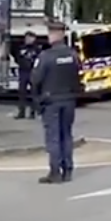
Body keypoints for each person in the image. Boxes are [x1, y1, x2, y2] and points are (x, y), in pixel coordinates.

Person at [32, 21, 83, 184]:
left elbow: (36, 79)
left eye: (50, 33)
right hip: (68, 100)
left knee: (53, 137)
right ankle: (68, 169)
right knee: (66, 135)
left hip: (51, 100)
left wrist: (37, 98)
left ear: (54, 34)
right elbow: (77, 76)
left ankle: (55, 171)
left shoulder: (46, 56)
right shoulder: (72, 54)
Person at [14, 31, 41, 118]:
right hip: (23, 72)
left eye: (30, 38)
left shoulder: (37, 49)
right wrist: (21, 63)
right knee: (22, 93)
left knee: (34, 93)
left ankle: (33, 112)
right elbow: (17, 57)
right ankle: (21, 112)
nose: (28, 40)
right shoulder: (21, 48)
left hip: (32, 72)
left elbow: (39, 60)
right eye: (26, 38)